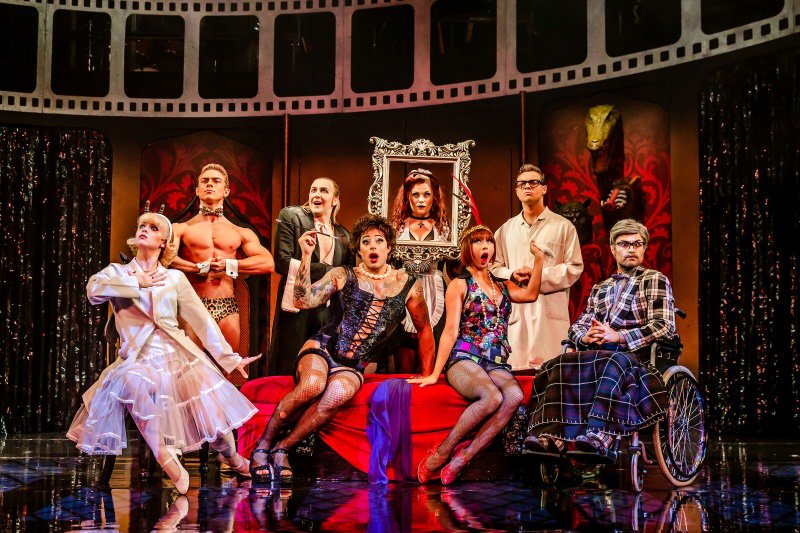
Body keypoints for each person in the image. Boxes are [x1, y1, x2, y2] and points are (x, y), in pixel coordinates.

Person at [66, 208, 261, 494]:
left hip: (177, 356)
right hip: (137, 359)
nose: (145, 229)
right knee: (131, 380)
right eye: (142, 225)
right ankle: (166, 458)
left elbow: (202, 321)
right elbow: (93, 291)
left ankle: (233, 457)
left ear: (164, 243)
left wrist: (229, 359)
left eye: (153, 228)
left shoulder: (174, 278)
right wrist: (136, 282)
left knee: (208, 407)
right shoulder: (118, 272)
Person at [249, 214, 435, 483]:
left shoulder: (408, 285)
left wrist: (428, 374)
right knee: (313, 384)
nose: (372, 246)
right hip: (322, 348)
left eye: (378, 241)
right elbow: (302, 301)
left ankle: (283, 448)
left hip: (354, 365)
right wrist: (305, 255)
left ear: (389, 247)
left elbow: (424, 329)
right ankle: (262, 445)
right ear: (359, 250)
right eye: (366, 242)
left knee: (336, 394)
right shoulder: (343, 274)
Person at [524, 219, 674, 459]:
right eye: (624, 244)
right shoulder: (600, 288)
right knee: (559, 363)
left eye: (637, 244)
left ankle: (600, 435)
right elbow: (579, 325)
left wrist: (620, 336)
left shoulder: (654, 279)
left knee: (612, 362)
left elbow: (664, 326)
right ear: (613, 249)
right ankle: (552, 435)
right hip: (600, 353)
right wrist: (585, 335)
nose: (632, 249)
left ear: (644, 248)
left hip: (635, 358)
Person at [408, 225, 545, 485]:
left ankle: (464, 458)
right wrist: (435, 373)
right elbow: (450, 332)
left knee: (514, 396)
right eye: (478, 241)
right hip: (465, 358)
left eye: (489, 241)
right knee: (492, 397)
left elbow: (530, 294)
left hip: (496, 362)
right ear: (467, 249)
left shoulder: (502, 286)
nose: (485, 246)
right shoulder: (460, 284)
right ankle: (442, 452)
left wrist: (538, 259)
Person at [171, 163, 274, 360]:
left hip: (227, 306)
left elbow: (268, 262)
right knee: (192, 368)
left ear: (226, 191)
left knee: (225, 369)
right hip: (193, 304)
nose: (210, 184)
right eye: (204, 181)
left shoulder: (240, 232)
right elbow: (165, 260)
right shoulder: (181, 228)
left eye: (216, 181)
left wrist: (229, 265)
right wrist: (195, 268)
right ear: (197, 190)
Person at [491, 164, 583, 370]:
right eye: (522, 184)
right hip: (518, 313)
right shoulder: (505, 230)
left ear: (544, 189)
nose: (527, 187)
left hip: (549, 313)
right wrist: (511, 274)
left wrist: (538, 275)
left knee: (551, 373)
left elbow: (574, 267)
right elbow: (493, 268)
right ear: (516, 190)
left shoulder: (563, 227)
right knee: (517, 372)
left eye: (533, 182)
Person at [268, 177, 355, 376]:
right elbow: (281, 262)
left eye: (324, 190)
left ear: (335, 200)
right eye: (313, 190)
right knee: (290, 362)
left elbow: (348, 273)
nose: (316, 194)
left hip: (327, 311)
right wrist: (326, 271)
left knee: (322, 364)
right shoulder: (292, 217)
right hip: (296, 306)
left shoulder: (344, 235)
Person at [389, 169, 450, 372]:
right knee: (404, 360)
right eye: (416, 194)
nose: (421, 200)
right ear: (408, 197)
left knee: (430, 362)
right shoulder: (397, 227)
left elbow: (454, 268)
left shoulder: (444, 228)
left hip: (434, 289)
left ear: (434, 197)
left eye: (426, 194)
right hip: (404, 289)